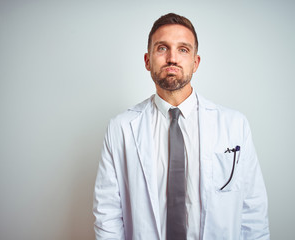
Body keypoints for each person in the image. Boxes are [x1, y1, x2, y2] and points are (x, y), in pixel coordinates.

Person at [93, 13, 270, 240]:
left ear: (195, 62)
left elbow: (253, 210)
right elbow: (107, 212)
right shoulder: (121, 128)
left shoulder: (234, 125)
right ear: (147, 61)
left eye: (183, 49)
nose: (172, 58)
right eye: (162, 48)